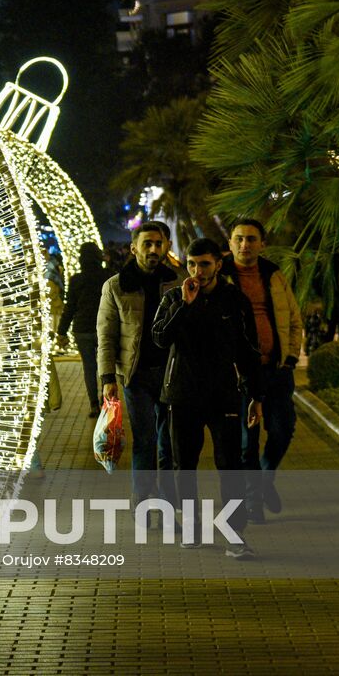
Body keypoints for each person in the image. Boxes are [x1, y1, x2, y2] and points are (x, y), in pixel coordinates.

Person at [152, 237, 264, 559]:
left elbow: (248, 349)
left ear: (218, 264)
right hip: (182, 394)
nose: (197, 271)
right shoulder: (174, 297)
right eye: (191, 264)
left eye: (204, 264)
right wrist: (185, 306)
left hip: (223, 394)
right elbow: (160, 339)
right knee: (183, 465)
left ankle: (234, 534)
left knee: (229, 465)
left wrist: (256, 395)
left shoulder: (234, 300)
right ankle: (191, 528)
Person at [223, 219, 303, 522]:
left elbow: (294, 319)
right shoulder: (222, 276)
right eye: (239, 239)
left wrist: (291, 358)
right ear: (230, 243)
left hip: (277, 369)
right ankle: (253, 501)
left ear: (262, 244)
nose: (245, 245)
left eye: (251, 239)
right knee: (247, 441)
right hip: (240, 375)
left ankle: (266, 477)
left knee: (283, 430)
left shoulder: (274, 275)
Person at [98, 222, 178, 516]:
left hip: (171, 374)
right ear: (134, 248)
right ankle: (144, 498)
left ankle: (168, 498)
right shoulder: (116, 285)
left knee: (168, 439)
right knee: (145, 438)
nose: (154, 250)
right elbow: (105, 335)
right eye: (147, 244)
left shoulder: (177, 282)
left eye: (159, 243)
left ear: (167, 246)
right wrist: (107, 377)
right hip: (135, 375)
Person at [57, 243, 107, 418]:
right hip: (104, 329)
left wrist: (62, 330)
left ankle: (93, 404)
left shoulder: (76, 279)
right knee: (105, 366)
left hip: (82, 329)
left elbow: (70, 307)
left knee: (89, 367)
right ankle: (105, 401)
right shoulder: (107, 276)